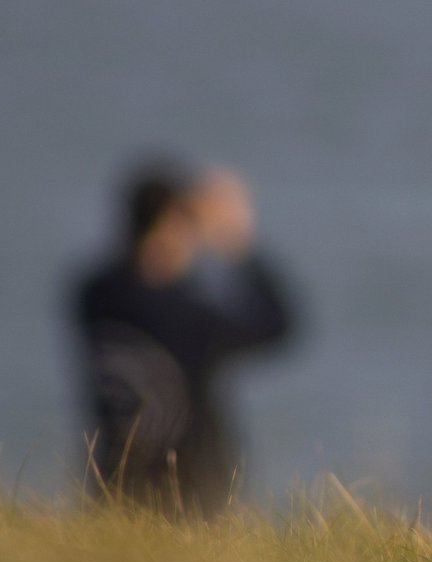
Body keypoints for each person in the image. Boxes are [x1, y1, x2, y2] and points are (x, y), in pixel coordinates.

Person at [71, 158, 293, 516]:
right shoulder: (189, 319)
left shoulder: (94, 297)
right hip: (192, 497)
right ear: (172, 225)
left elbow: (127, 276)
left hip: (115, 487)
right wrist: (239, 243)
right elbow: (277, 324)